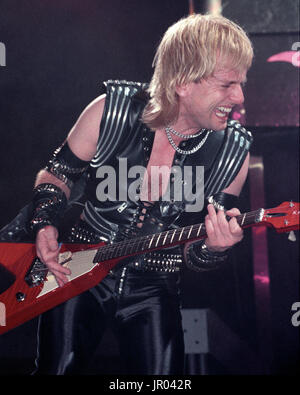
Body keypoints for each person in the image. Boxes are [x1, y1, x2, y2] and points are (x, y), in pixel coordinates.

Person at [15, 13, 254, 374]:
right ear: (183, 82)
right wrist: (44, 224)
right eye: (226, 85)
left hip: (155, 287)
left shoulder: (233, 151)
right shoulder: (110, 110)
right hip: (77, 268)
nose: (239, 97)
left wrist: (214, 248)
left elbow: (198, 250)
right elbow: (57, 174)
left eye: (241, 83)